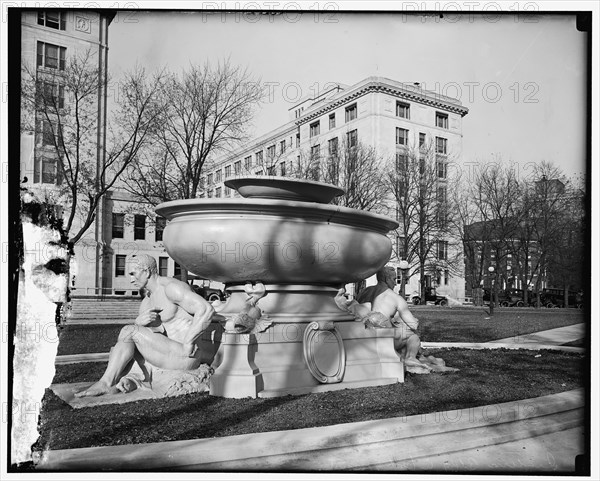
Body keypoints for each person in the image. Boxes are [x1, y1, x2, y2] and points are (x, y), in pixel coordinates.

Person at [76, 254, 216, 397]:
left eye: (133, 273)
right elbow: (134, 341)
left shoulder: (172, 288)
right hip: (166, 354)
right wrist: (139, 323)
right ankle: (125, 380)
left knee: (130, 330)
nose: (130, 279)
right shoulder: (146, 302)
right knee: (128, 335)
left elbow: (206, 309)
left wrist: (189, 342)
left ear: (147, 271)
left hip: (186, 355)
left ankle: (106, 383)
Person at [335, 266, 431, 372]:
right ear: (386, 279)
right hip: (383, 337)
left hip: (362, 333)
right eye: (394, 279)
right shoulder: (396, 298)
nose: (395, 283)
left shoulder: (365, 292)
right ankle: (410, 358)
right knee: (413, 336)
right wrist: (414, 322)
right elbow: (413, 324)